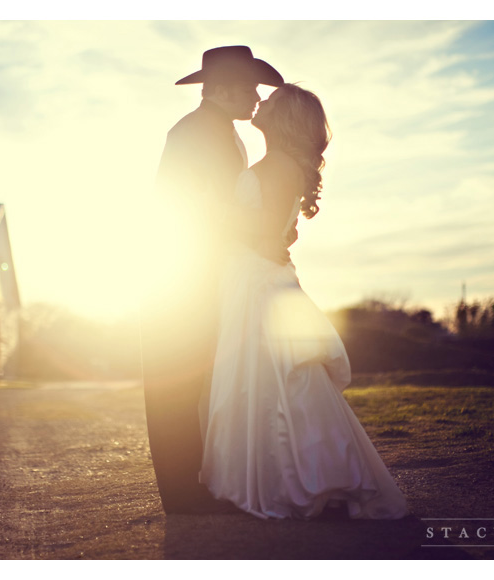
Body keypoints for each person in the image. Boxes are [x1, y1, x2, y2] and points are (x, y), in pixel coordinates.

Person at [199, 84, 410, 519]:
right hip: (257, 272)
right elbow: (276, 228)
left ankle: (307, 481)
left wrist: (211, 212)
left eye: (272, 101)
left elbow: (261, 227)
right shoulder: (281, 165)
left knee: (269, 379)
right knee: (272, 379)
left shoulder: (275, 166)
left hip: (256, 277)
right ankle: (308, 475)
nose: (262, 100)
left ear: (285, 119)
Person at [141, 46, 292, 514]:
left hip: (210, 270)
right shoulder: (193, 132)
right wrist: (263, 229)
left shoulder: (222, 132)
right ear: (222, 90)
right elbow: (193, 207)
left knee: (201, 379)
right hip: (184, 273)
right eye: (249, 88)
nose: (255, 97)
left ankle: (200, 484)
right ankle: (183, 496)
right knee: (175, 382)